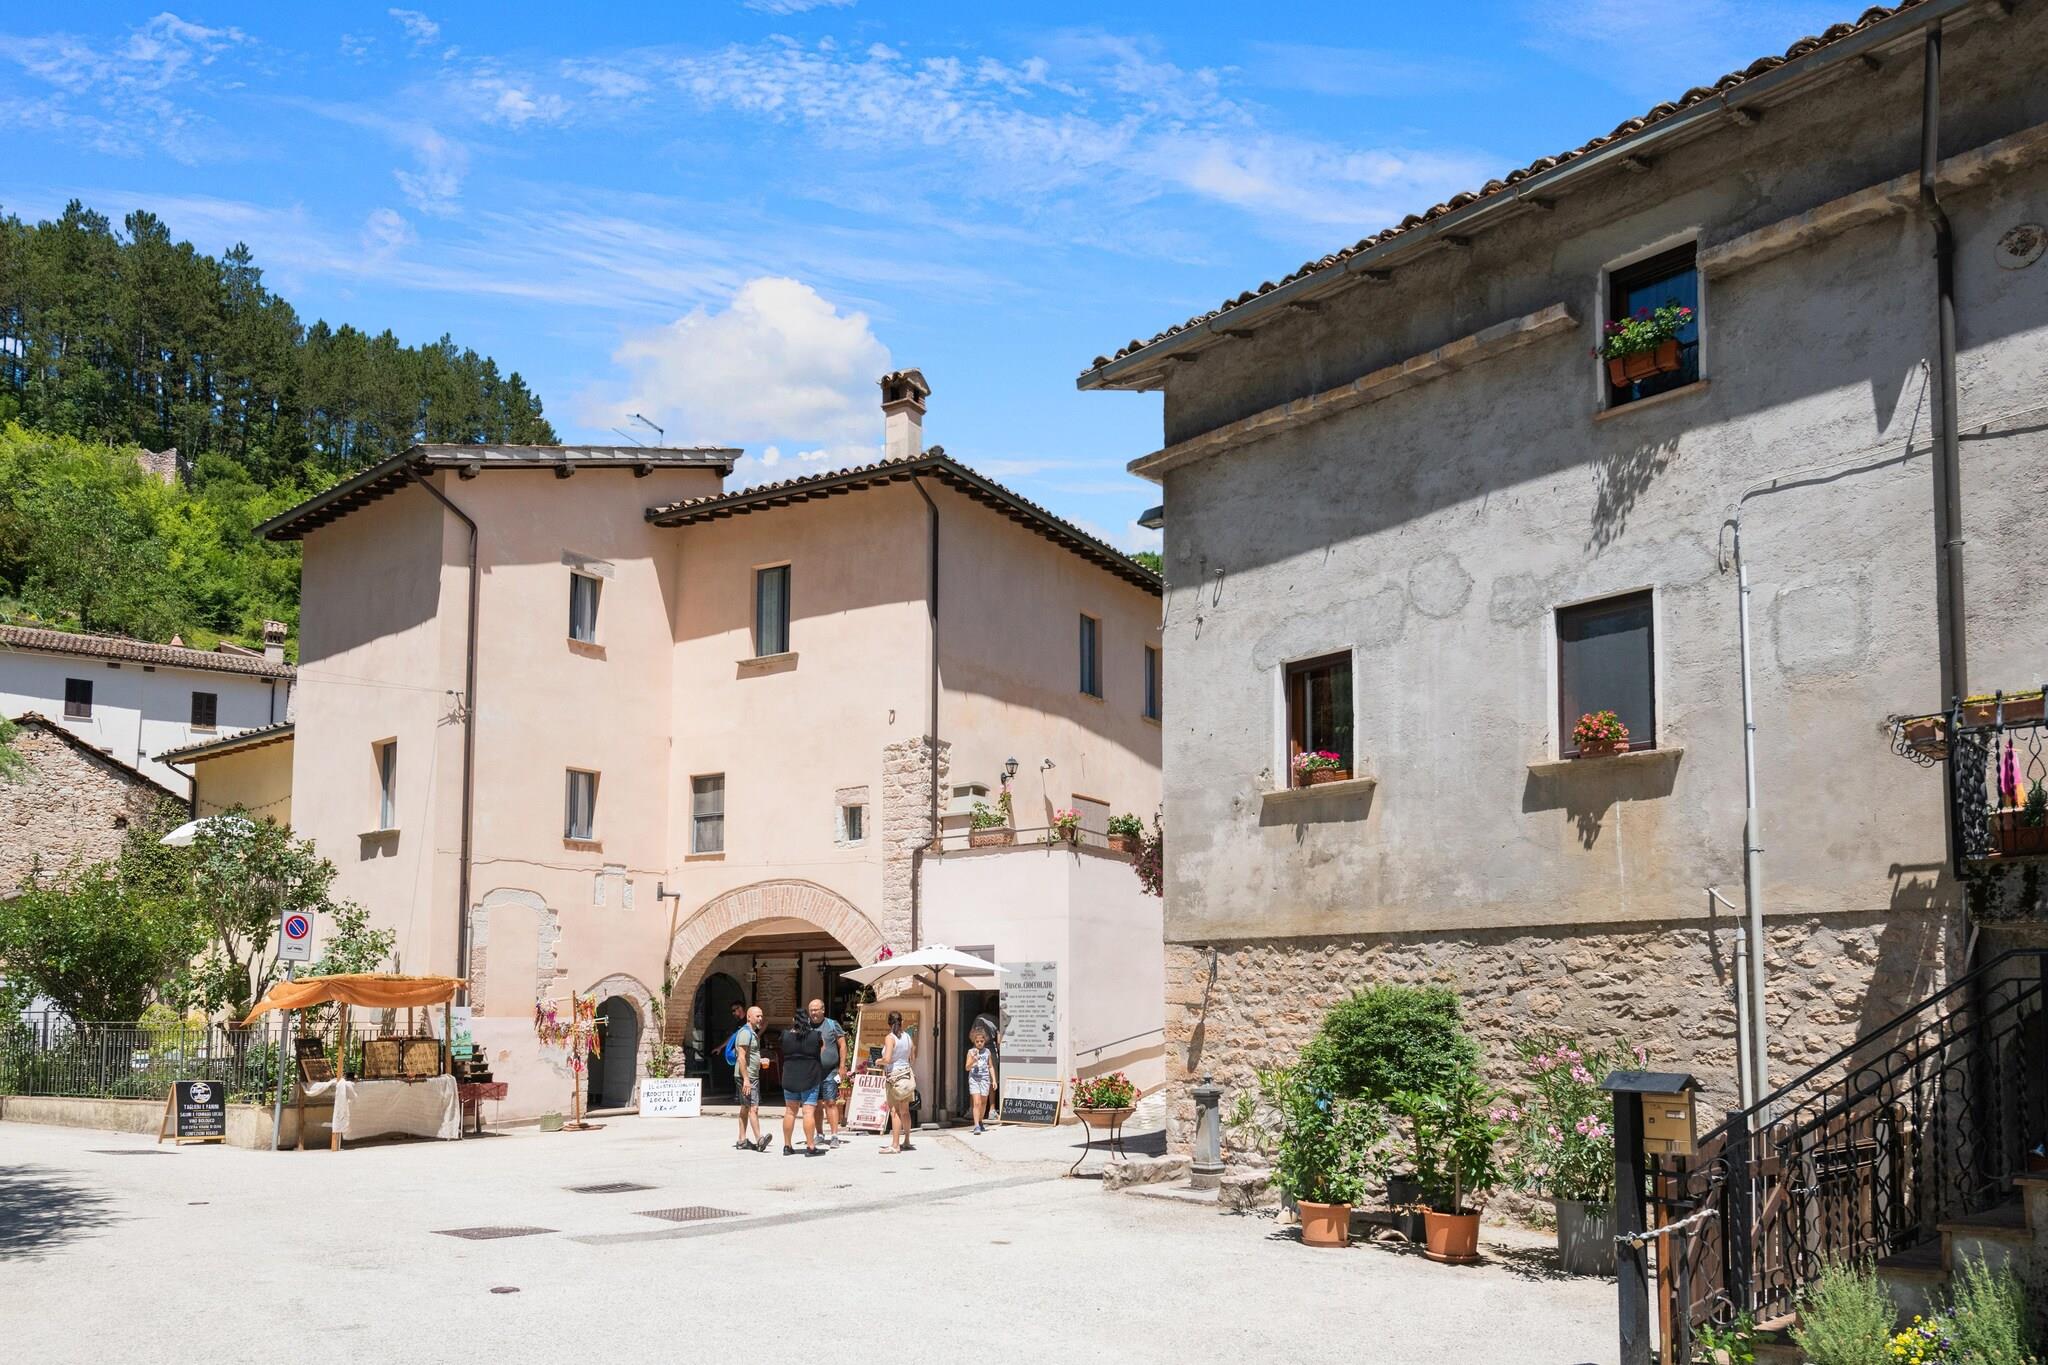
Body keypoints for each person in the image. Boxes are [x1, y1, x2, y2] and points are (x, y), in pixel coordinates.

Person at [778, 1007, 825, 1156]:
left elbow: (783, 1050)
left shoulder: (785, 1036)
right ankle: (810, 1146)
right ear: (808, 1020)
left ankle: (787, 1146)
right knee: (808, 1112)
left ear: (793, 1021)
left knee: (790, 1112)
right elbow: (822, 1051)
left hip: (790, 1077)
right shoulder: (815, 1036)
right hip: (810, 1077)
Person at [810, 998, 847, 1148]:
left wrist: (842, 1066)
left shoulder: (832, 1024)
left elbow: (842, 1045)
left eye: (816, 1010)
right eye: (811, 1010)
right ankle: (819, 1134)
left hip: (830, 1071)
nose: (813, 1013)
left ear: (823, 1010)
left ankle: (834, 1136)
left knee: (830, 1102)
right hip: (812, 1072)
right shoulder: (806, 1026)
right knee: (816, 1103)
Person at [880, 1010, 915, 1154]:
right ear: (902, 1022)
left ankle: (895, 1145)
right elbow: (912, 1057)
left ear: (888, 1023)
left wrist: (878, 1061)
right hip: (906, 1075)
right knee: (905, 1111)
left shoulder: (890, 1038)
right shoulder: (908, 1037)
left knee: (895, 1111)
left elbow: (887, 1059)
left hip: (894, 1076)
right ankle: (906, 1140)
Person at [733, 1005, 766, 1152]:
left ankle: (742, 1140)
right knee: (753, 1107)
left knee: (745, 1107)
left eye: (761, 1016)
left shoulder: (752, 1033)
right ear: (749, 1017)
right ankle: (760, 1139)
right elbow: (741, 1057)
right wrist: (746, 1079)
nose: (760, 1018)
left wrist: (759, 1061)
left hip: (750, 1074)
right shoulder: (745, 1033)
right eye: (757, 1016)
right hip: (747, 1076)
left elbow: (749, 1056)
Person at [964, 1023, 997, 1134]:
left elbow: (990, 1066)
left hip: (985, 1079)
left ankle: (980, 1120)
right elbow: (967, 1067)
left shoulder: (987, 1052)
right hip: (974, 1079)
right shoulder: (971, 1052)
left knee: (983, 1103)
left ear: (984, 1041)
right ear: (974, 1041)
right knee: (977, 1102)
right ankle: (976, 1125)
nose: (979, 1043)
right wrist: (973, 1060)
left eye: (981, 1041)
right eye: (977, 1041)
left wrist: (994, 1080)